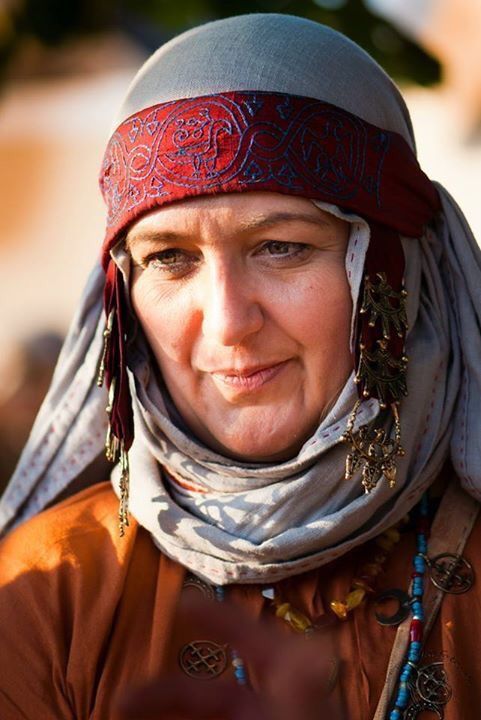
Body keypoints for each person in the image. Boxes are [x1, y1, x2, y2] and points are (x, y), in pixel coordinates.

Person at [1, 13, 481, 720]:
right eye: (170, 257)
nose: (228, 321)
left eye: (281, 247)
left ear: (396, 270)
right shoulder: (51, 590)